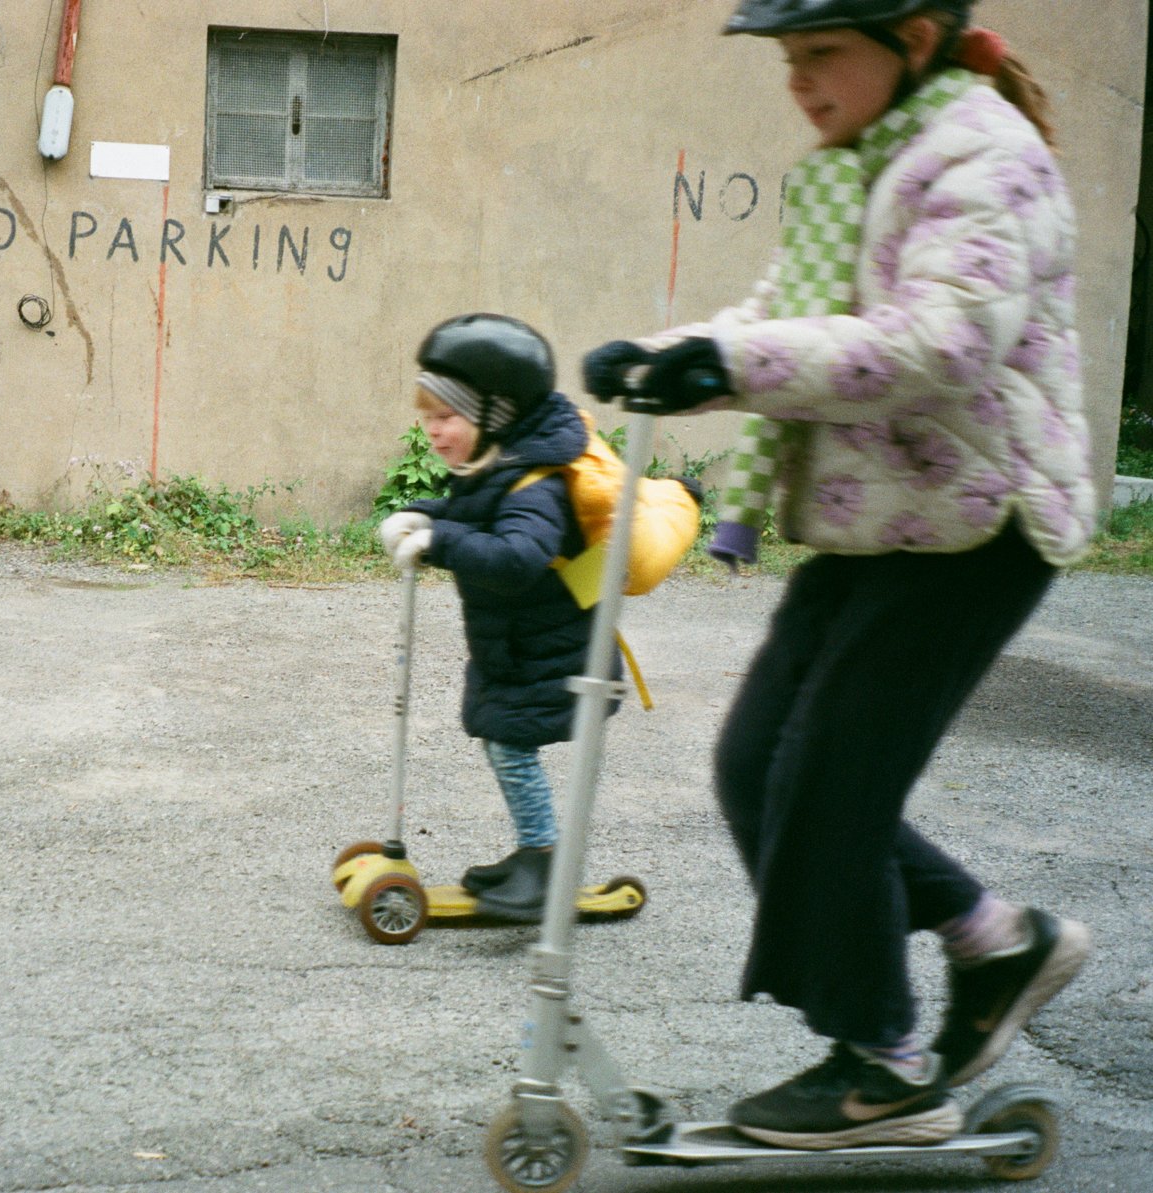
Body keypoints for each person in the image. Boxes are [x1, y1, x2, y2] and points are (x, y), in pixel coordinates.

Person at [582, 0, 1093, 1152]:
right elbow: (791, 319)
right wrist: (672, 357)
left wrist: (734, 360)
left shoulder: (985, 159)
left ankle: (886, 1069)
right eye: (788, 60)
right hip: (881, 513)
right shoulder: (858, 166)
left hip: (978, 518)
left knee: (831, 786)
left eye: (822, 53)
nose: (800, 83)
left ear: (913, 38)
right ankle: (993, 939)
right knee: (761, 762)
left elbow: (940, 340)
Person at [378, 313, 617, 924]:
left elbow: (515, 557)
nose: (432, 432)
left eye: (445, 417)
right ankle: (535, 852)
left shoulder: (535, 485)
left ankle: (545, 862)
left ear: (498, 413)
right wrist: (421, 514)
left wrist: (439, 542)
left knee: (510, 750)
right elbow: (476, 514)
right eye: (426, 417)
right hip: (518, 649)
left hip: (555, 655)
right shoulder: (502, 466)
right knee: (503, 746)